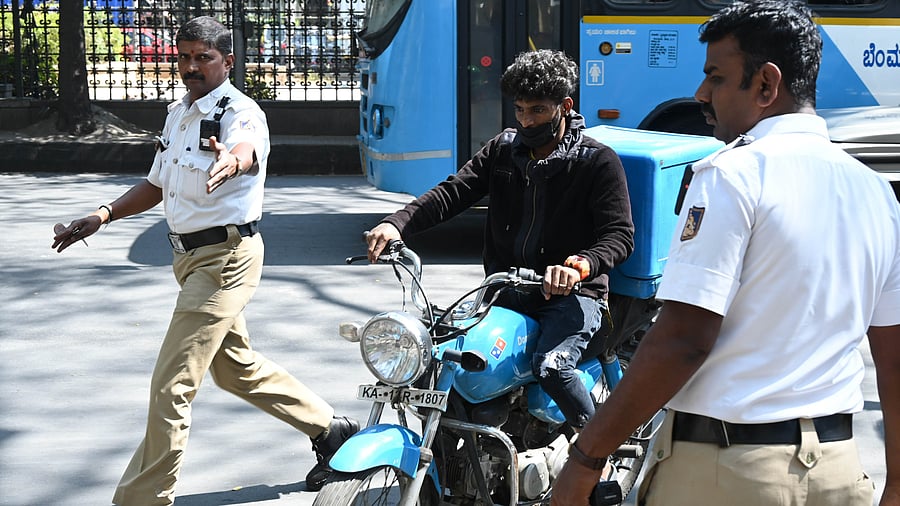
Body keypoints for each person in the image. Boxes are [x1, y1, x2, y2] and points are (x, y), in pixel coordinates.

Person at [551, 2, 900, 505]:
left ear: (765, 85)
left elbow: (683, 340)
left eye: (715, 77)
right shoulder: (875, 192)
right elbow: (893, 359)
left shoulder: (733, 174)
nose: (700, 94)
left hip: (730, 473)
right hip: (838, 472)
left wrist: (586, 458)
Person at [51, 16, 358, 505]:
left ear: (227, 61)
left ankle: (143, 498)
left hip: (226, 259)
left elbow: (245, 151)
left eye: (204, 58)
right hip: (190, 260)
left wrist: (231, 161)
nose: (192, 67)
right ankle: (331, 428)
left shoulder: (242, 111)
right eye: (185, 57)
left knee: (172, 384)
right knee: (233, 368)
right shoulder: (178, 113)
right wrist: (102, 215)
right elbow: (155, 184)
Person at [365, 49, 635, 431]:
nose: (526, 121)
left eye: (538, 110)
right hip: (505, 291)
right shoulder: (503, 151)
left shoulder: (596, 161)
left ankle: (594, 459)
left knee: (551, 367)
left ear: (564, 106)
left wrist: (580, 266)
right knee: (441, 356)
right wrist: (397, 223)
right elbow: (452, 193)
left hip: (573, 298)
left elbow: (619, 235)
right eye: (520, 109)